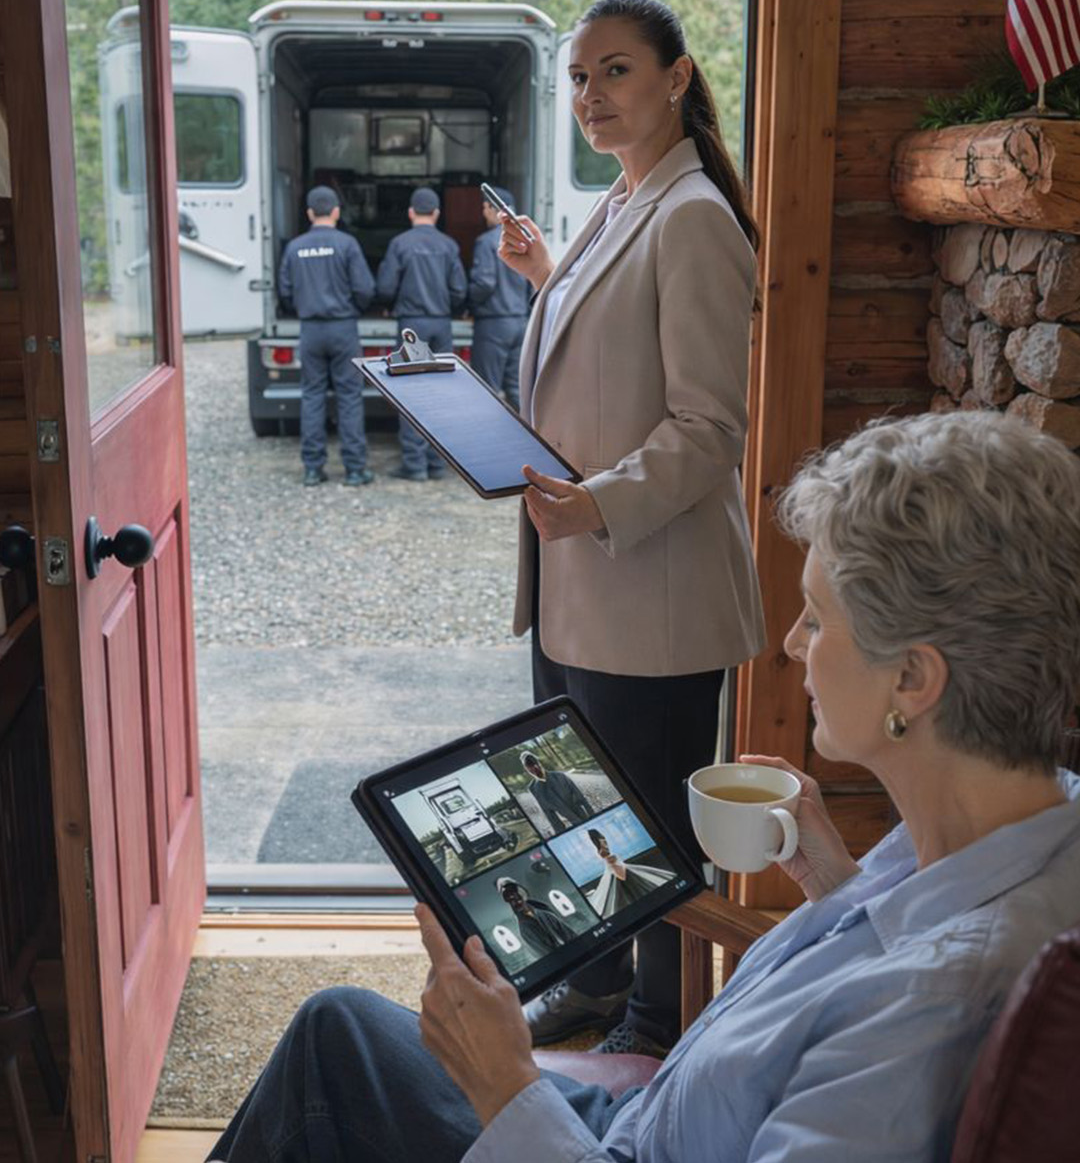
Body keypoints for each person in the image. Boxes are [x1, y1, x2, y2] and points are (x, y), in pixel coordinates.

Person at [209, 410, 1080, 1163]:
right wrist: (833, 889)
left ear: (913, 681)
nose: (789, 643)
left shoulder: (920, 1019)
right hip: (657, 1121)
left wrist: (506, 1081)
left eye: (819, 618)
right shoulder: (1033, 823)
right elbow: (884, 958)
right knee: (342, 1029)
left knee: (333, 1050)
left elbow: (885, 1009)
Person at [497, 0, 766, 1056]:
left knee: (647, 825)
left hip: (646, 588)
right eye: (577, 77)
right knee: (588, 812)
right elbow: (612, 356)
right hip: (578, 580)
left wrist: (599, 501)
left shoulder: (696, 216)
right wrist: (544, 279)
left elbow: (708, 430)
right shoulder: (624, 203)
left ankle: (658, 1027)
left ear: (676, 77)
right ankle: (597, 986)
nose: (591, 95)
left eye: (614, 71)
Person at [278, 185, 376, 487]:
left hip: (311, 329)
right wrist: (353, 308)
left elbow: (285, 292)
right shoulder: (347, 245)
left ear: (309, 213)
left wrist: (305, 307)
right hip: (343, 328)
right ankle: (355, 469)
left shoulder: (295, 247)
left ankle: (312, 469)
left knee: (312, 396)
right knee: (349, 397)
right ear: (336, 212)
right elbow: (365, 289)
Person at [376, 187, 468, 481]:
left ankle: (414, 465)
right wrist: (451, 308)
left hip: (411, 327)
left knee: (412, 393)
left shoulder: (399, 244)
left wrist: (388, 306)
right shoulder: (449, 246)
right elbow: (459, 290)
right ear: (437, 214)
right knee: (440, 393)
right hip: (441, 323)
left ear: (411, 212)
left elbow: (386, 287)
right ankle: (438, 464)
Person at [467, 187, 532, 408]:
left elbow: (484, 283)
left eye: (484, 207)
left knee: (487, 389)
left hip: (493, 324)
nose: (483, 212)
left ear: (493, 209)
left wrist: (469, 305)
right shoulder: (525, 239)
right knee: (516, 388)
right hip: (520, 322)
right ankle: (530, 439)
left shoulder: (486, 242)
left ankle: (488, 441)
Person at [584, 828, 674, 916]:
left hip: (621, 869)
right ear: (598, 841)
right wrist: (616, 866)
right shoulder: (604, 852)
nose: (606, 842)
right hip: (620, 871)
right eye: (603, 840)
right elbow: (620, 874)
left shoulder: (604, 851)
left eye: (604, 840)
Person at [494, 878, 576, 959]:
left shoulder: (545, 912)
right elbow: (547, 956)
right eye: (508, 895)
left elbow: (572, 936)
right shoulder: (524, 929)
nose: (514, 897)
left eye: (514, 891)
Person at [520, 751, 591, 832]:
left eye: (534, 763)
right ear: (526, 768)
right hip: (570, 823)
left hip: (583, 816)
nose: (534, 767)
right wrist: (560, 833)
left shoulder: (560, 776)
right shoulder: (533, 788)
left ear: (539, 762)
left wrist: (592, 815)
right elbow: (549, 814)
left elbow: (581, 798)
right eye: (529, 765)